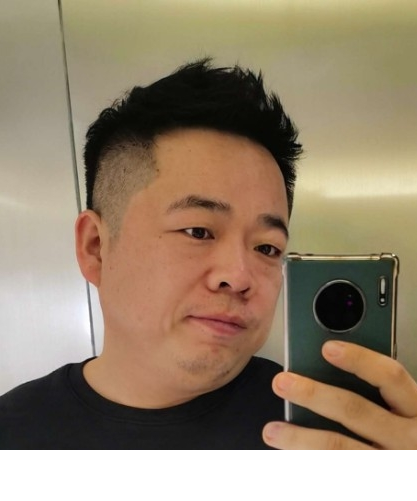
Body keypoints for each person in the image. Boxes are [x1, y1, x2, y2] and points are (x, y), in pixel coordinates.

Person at [1, 58, 416, 450]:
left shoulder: (333, 427)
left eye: (267, 248)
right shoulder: (14, 429)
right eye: (198, 231)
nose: (239, 276)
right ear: (95, 247)